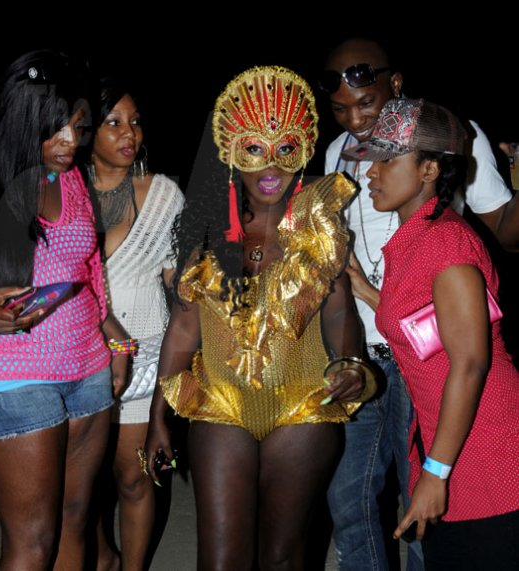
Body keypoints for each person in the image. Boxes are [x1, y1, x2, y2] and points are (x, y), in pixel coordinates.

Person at [145, 66, 377, 570]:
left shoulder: (318, 225)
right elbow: (184, 328)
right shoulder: (206, 230)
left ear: (304, 149)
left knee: (283, 558)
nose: (271, 164)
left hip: (301, 406)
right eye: (255, 148)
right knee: (221, 559)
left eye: (285, 148)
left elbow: (339, 310)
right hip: (222, 403)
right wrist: (158, 418)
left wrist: (352, 362)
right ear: (231, 151)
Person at [0, 50, 130, 570]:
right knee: (32, 539)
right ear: (20, 119)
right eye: (56, 130)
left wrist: (117, 340)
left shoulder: (73, 181)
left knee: (75, 520)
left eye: (78, 129)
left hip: (88, 368)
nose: (70, 144)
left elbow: (84, 275)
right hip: (10, 377)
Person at [321, 37, 519, 571]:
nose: (369, 173)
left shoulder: (446, 243)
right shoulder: (415, 237)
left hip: (481, 448)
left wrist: (435, 470)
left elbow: (471, 360)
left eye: (386, 162)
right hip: (448, 432)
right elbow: (421, 320)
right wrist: (361, 288)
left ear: (430, 170)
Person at [86, 80, 184, 571]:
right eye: (114, 123)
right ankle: (103, 555)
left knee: (134, 476)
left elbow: (179, 284)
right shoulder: (60, 193)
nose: (131, 133)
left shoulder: (163, 194)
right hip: (79, 355)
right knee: (80, 483)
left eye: (136, 121)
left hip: (145, 355)